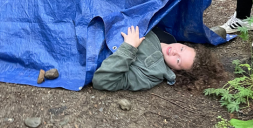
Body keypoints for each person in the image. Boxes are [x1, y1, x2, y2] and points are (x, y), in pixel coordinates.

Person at [92, 26, 223, 92]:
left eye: (178, 61)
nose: (175, 52)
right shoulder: (167, 33)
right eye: (182, 49)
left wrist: (129, 47)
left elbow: (102, 81)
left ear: (176, 71)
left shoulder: (152, 74)